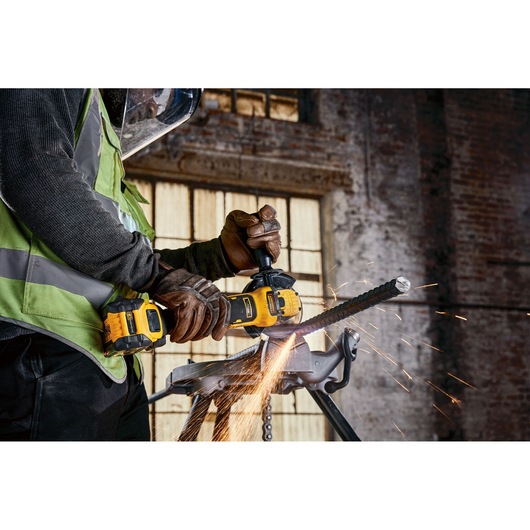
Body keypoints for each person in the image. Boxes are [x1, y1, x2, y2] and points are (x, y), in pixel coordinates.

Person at [0, 89, 282, 441]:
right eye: (157, 91)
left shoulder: (101, 148)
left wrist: (219, 257)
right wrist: (156, 276)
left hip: (110, 363)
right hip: (40, 350)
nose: (152, 106)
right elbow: (35, 173)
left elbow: (127, 269)